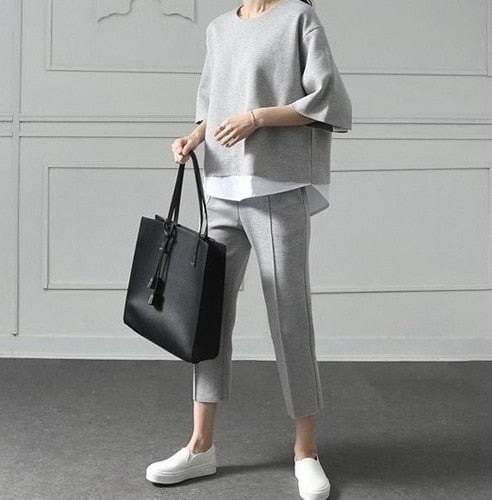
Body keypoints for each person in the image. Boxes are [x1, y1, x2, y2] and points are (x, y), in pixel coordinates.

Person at [146, 1, 352, 499]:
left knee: (290, 316)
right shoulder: (220, 29)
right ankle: (201, 446)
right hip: (221, 189)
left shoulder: (297, 18)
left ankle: (306, 451)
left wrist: (258, 118)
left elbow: (327, 98)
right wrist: (194, 137)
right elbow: (213, 105)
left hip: (277, 187)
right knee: (208, 318)